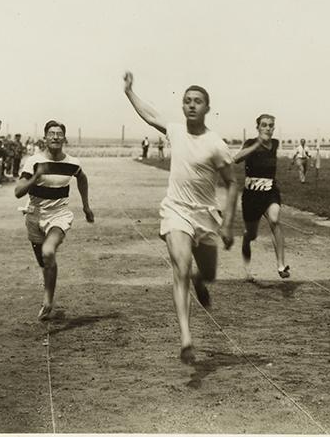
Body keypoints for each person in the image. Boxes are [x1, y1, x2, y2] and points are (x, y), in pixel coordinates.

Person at [123, 71, 238, 364]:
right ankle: (186, 337)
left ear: (207, 108)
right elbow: (150, 115)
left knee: (207, 273)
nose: (191, 105)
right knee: (181, 267)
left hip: (206, 216)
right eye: (187, 101)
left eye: (197, 101)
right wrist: (129, 92)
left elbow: (233, 182)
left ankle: (200, 280)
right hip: (176, 210)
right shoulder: (175, 131)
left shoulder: (215, 144)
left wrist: (226, 223)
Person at [15, 120, 94, 321]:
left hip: (59, 214)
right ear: (45, 138)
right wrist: (36, 177)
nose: (56, 137)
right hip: (35, 215)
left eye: (59, 134)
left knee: (49, 251)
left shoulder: (72, 163)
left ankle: (48, 300)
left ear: (64, 139)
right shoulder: (33, 161)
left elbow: (82, 178)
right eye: (52, 133)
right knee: (44, 262)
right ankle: (48, 294)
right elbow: (18, 192)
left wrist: (86, 206)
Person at [234, 114, 291, 280]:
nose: (267, 128)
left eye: (271, 125)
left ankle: (281, 266)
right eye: (264, 125)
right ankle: (246, 263)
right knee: (251, 235)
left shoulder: (275, 143)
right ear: (257, 127)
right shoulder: (250, 143)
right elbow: (236, 158)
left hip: (270, 192)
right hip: (252, 196)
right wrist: (256, 145)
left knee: (274, 220)